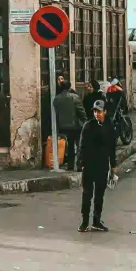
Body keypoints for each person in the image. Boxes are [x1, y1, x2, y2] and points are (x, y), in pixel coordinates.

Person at [76, 98, 118, 232]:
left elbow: (112, 147)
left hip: (103, 165)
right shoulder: (88, 126)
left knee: (100, 195)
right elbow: (82, 145)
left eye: (99, 111)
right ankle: (84, 222)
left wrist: (113, 164)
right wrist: (81, 162)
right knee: (87, 194)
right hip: (89, 165)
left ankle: (96, 220)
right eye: (95, 111)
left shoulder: (109, 126)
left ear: (105, 112)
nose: (97, 114)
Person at [52, 76, 84, 171]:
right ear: (69, 87)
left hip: (64, 126)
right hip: (76, 125)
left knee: (70, 146)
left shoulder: (56, 99)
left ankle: (70, 165)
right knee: (79, 145)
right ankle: (79, 165)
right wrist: (85, 121)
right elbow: (81, 111)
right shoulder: (75, 97)